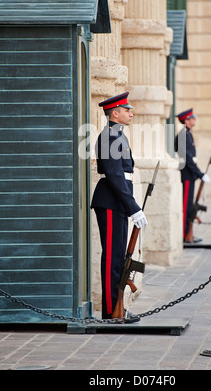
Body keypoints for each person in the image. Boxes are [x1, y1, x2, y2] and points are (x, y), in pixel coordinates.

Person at [91, 91, 147, 323]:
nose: (131, 113)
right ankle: (111, 311)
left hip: (117, 202)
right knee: (113, 259)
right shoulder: (109, 137)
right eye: (127, 110)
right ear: (115, 113)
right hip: (112, 201)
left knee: (118, 258)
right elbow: (115, 177)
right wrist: (133, 207)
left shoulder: (117, 136)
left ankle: (118, 308)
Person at [174, 108, 210, 244]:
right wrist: (200, 174)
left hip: (190, 175)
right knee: (186, 207)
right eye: (192, 117)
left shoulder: (187, 134)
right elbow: (188, 158)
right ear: (187, 120)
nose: (195, 119)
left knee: (190, 206)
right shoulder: (183, 135)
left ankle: (188, 233)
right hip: (187, 175)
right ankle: (185, 234)